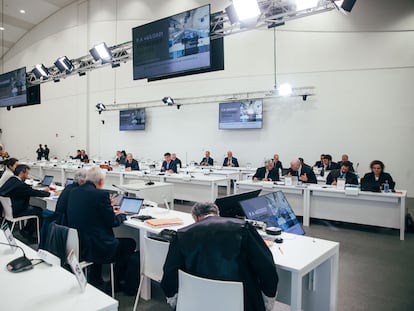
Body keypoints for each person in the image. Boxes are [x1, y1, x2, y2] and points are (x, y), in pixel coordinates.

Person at [161, 202, 278, 311]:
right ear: (218, 214)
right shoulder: (243, 228)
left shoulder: (182, 234)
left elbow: (169, 269)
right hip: (243, 300)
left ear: (195, 218)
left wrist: (173, 297)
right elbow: (266, 266)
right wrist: (268, 296)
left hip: (196, 299)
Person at [67, 167, 136, 290]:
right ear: (100, 181)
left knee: (97, 233)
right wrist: (122, 215)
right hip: (97, 245)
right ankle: (115, 282)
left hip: (79, 242)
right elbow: (113, 222)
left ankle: (96, 277)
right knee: (130, 243)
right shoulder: (101, 194)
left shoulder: (74, 192)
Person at [0, 164, 50, 242]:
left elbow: (26, 190)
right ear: (21, 173)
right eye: (27, 173)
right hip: (16, 211)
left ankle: (27, 230)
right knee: (39, 211)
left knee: (34, 208)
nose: (27, 175)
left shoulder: (12, 180)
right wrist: (48, 193)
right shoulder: (20, 184)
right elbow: (33, 192)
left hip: (7, 211)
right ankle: (28, 232)